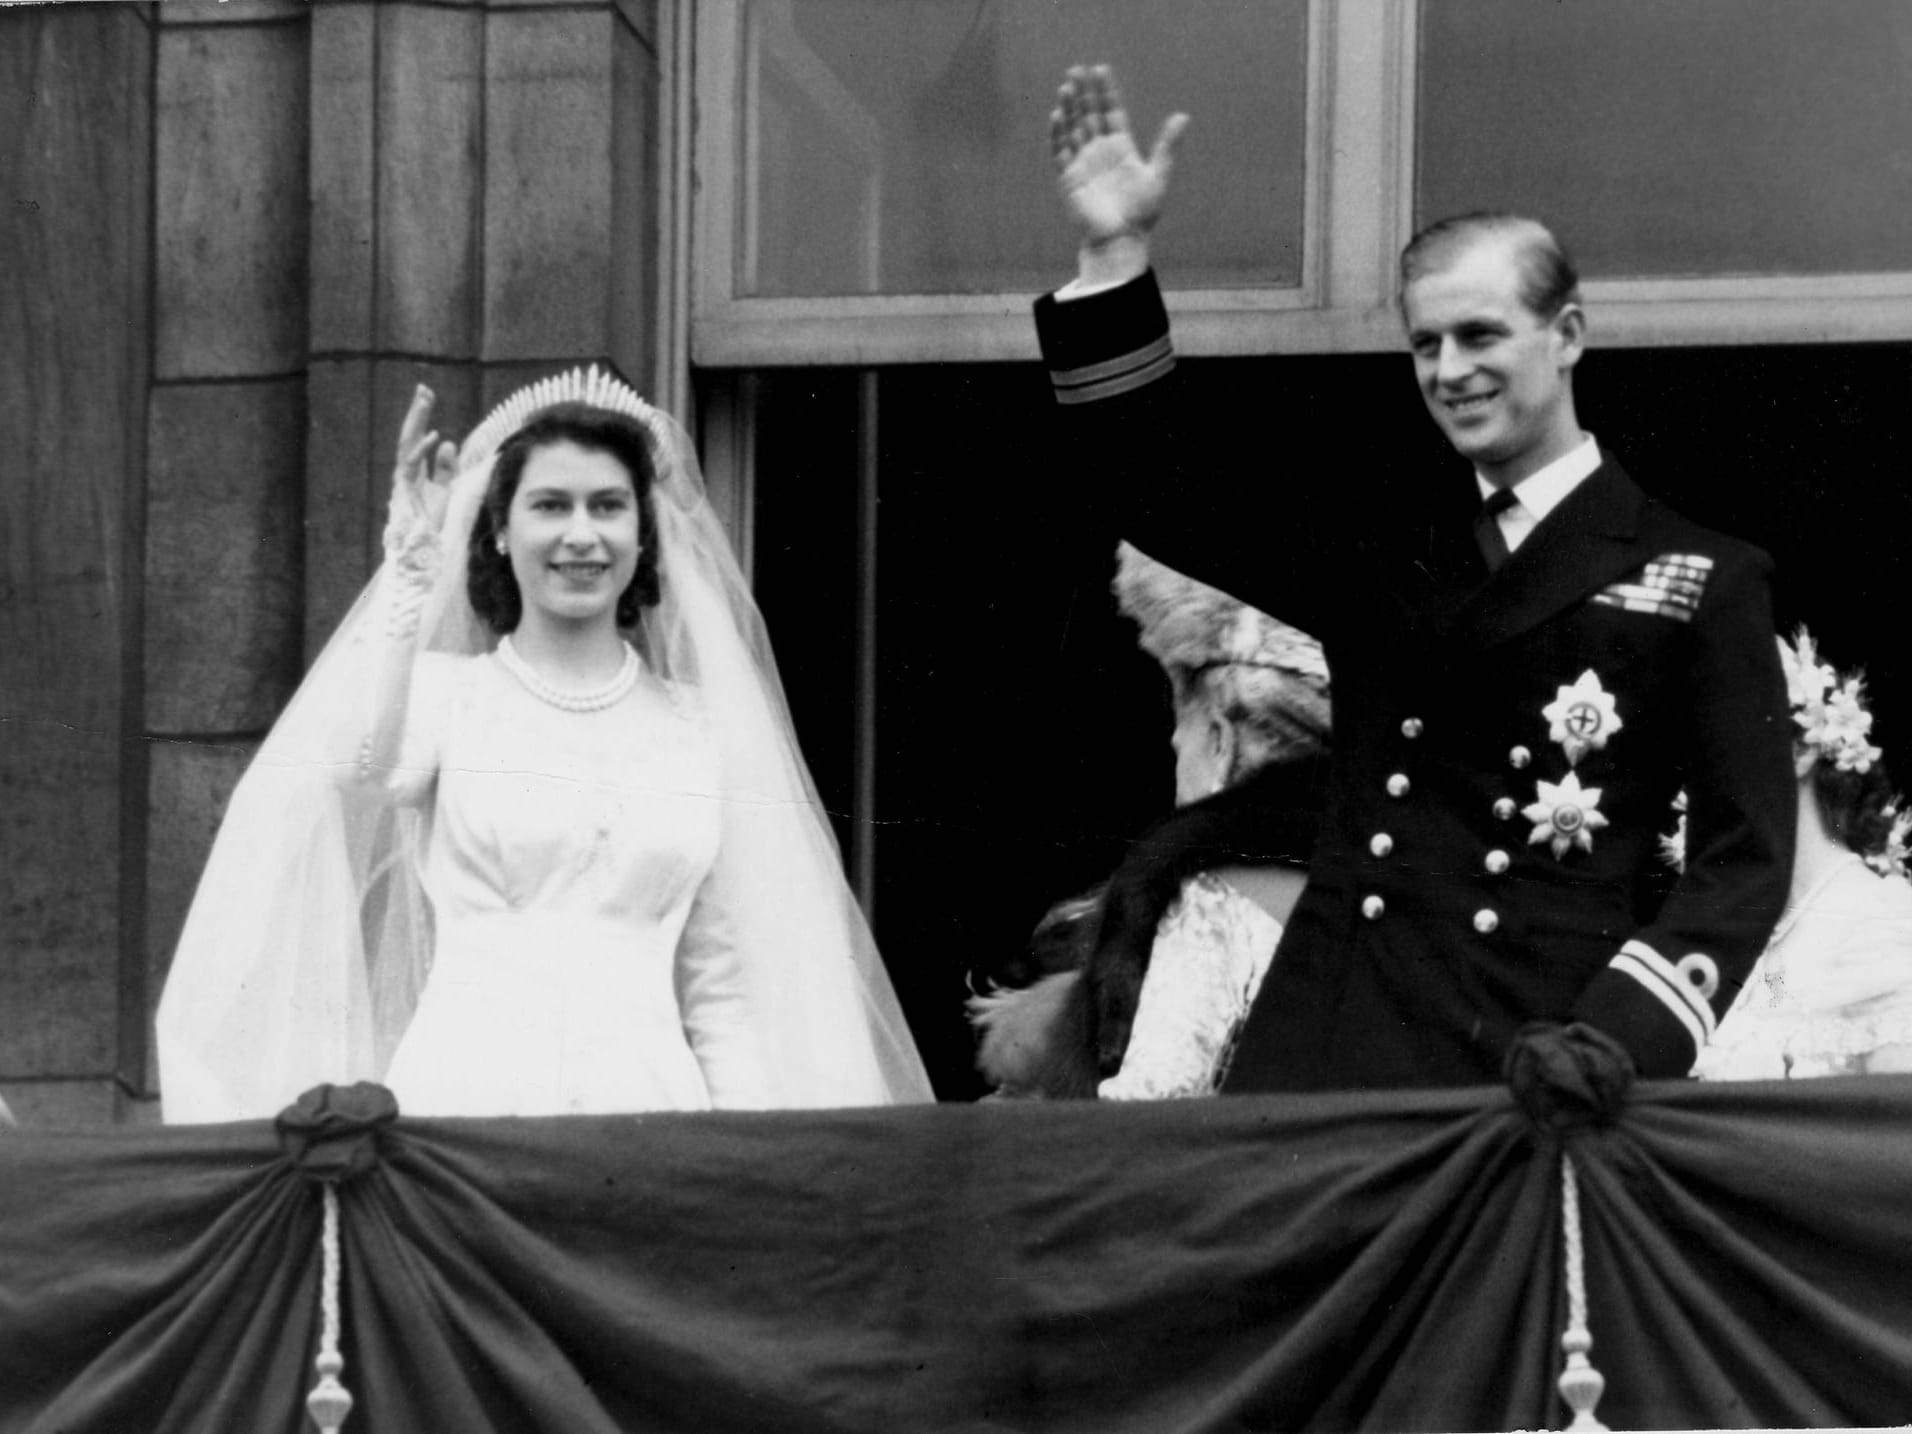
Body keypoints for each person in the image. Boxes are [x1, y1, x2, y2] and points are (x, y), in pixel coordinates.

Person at [1032, 66, 1796, 1091]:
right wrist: (1114, 252)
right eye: (1424, 343)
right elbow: (1156, 492)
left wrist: (1614, 1042)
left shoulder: (1696, 576)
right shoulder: (1389, 549)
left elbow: (1741, 865)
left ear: (1565, 336)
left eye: (1480, 335)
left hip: (1534, 1065)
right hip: (1327, 1049)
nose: (1449, 371)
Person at [157, 368, 932, 1120]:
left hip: (647, 1115)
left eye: (608, 506)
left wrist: (738, 1161)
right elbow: (365, 772)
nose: (581, 535)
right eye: (551, 506)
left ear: (642, 533)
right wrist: (409, 568)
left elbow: (719, 982)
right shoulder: (446, 698)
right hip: (466, 1111)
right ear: (499, 529)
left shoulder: (698, 729)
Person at [970, 542, 1329, 1099]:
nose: (1171, 740)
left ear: (1219, 737)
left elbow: (1145, 1121)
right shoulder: (1383, 886)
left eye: (1180, 717)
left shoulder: (1209, 903)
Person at [1694, 633, 1912, 1079]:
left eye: (1729, 745)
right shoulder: (1767, 939)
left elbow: (1895, 1128)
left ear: (1802, 750)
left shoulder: (1878, 920)